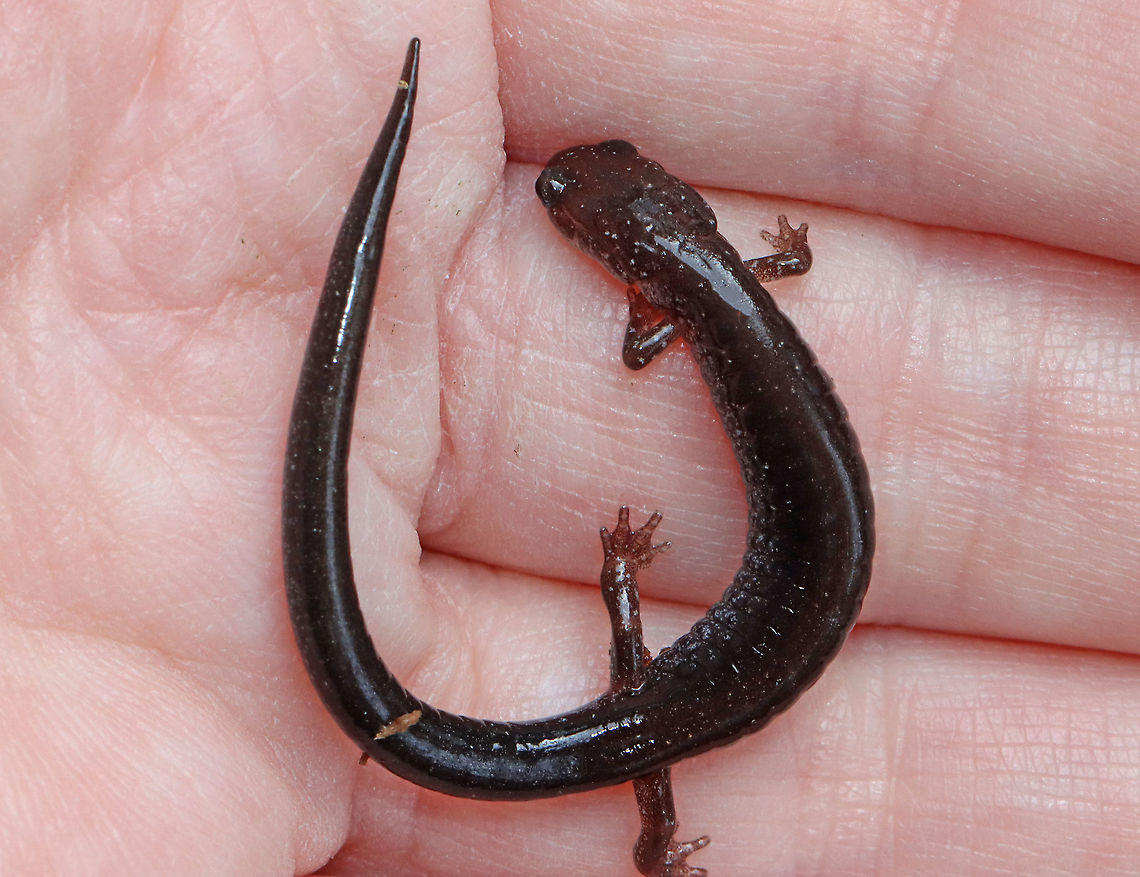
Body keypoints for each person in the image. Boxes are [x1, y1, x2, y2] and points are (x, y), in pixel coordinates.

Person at [1, 2, 1136, 873]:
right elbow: (740, 292)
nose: (564, 194)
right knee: (644, 729)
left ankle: (648, 838)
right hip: (745, 599)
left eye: (576, 210)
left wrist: (619, 575)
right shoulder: (716, 283)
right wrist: (622, 588)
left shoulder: (689, 303)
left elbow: (659, 344)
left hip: (689, 643)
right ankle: (650, 845)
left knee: (643, 724)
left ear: (647, 254)